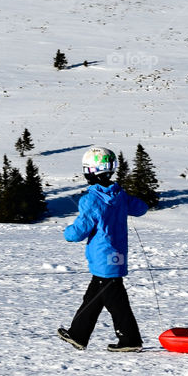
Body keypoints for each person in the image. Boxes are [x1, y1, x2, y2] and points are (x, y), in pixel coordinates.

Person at [58, 146, 148, 351]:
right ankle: (78, 334)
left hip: (102, 256)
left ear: (90, 173)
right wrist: (123, 200)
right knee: (94, 296)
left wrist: (68, 232)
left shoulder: (91, 199)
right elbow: (141, 208)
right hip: (117, 254)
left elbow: (79, 231)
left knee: (116, 300)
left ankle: (130, 340)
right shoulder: (119, 195)